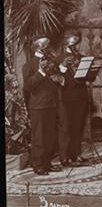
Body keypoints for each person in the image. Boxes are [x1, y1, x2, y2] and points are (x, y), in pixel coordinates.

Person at [23, 35, 64, 175]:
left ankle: (47, 163)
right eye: (44, 46)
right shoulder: (29, 65)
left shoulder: (51, 62)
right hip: (38, 106)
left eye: (47, 45)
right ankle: (38, 165)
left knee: (50, 136)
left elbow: (57, 79)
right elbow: (28, 86)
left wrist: (59, 77)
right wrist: (41, 72)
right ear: (37, 48)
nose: (47, 48)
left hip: (51, 104)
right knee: (39, 137)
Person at [58, 30, 98, 166]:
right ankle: (64, 157)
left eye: (77, 43)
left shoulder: (82, 58)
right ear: (67, 43)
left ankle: (76, 155)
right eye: (73, 43)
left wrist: (90, 69)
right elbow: (57, 77)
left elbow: (91, 78)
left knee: (78, 127)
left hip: (81, 96)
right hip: (67, 97)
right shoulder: (59, 59)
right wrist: (63, 66)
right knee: (66, 128)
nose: (76, 46)